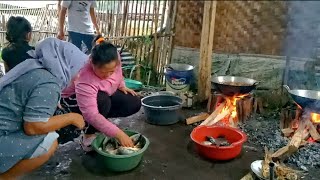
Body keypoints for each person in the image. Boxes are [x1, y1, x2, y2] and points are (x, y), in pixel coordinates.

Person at [0, 38, 88, 179]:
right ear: (65, 64)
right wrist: (71, 117)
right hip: (3, 135)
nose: (78, 76)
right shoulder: (49, 84)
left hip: (6, 125)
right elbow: (33, 127)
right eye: (77, 69)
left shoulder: (33, 67)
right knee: (49, 141)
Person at [61, 36, 141, 152]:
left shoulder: (114, 57)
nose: (109, 75)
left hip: (102, 92)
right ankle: (88, 134)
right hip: (74, 101)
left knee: (133, 102)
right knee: (102, 101)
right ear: (92, 64)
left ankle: (102, 121)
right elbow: (91, 114)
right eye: (103, 72)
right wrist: (118, 133)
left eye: (111, 71)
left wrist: (121, 85)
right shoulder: (84, 78)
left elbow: (118, 72)